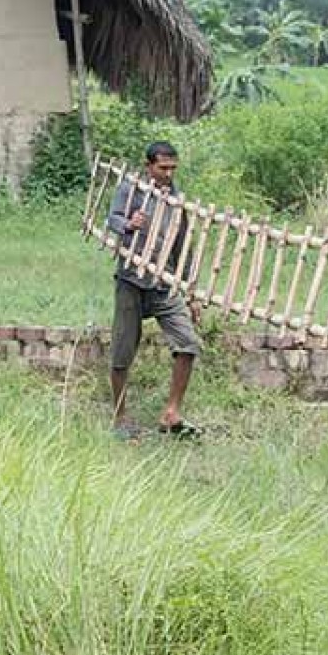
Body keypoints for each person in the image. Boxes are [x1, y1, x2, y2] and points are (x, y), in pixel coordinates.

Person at [103, 139, 201, 440]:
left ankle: (172, 413)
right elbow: (112, 219)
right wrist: (129, 224)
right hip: (131, 281)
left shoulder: (177, 200)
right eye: (163, 168)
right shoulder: (130, 189)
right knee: (122, 353)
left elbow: (184, 245)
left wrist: (191, 290)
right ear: (149, 167)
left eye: (173, 168)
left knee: (187, 343)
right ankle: (120, 417)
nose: (168, 174)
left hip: (164, 284)